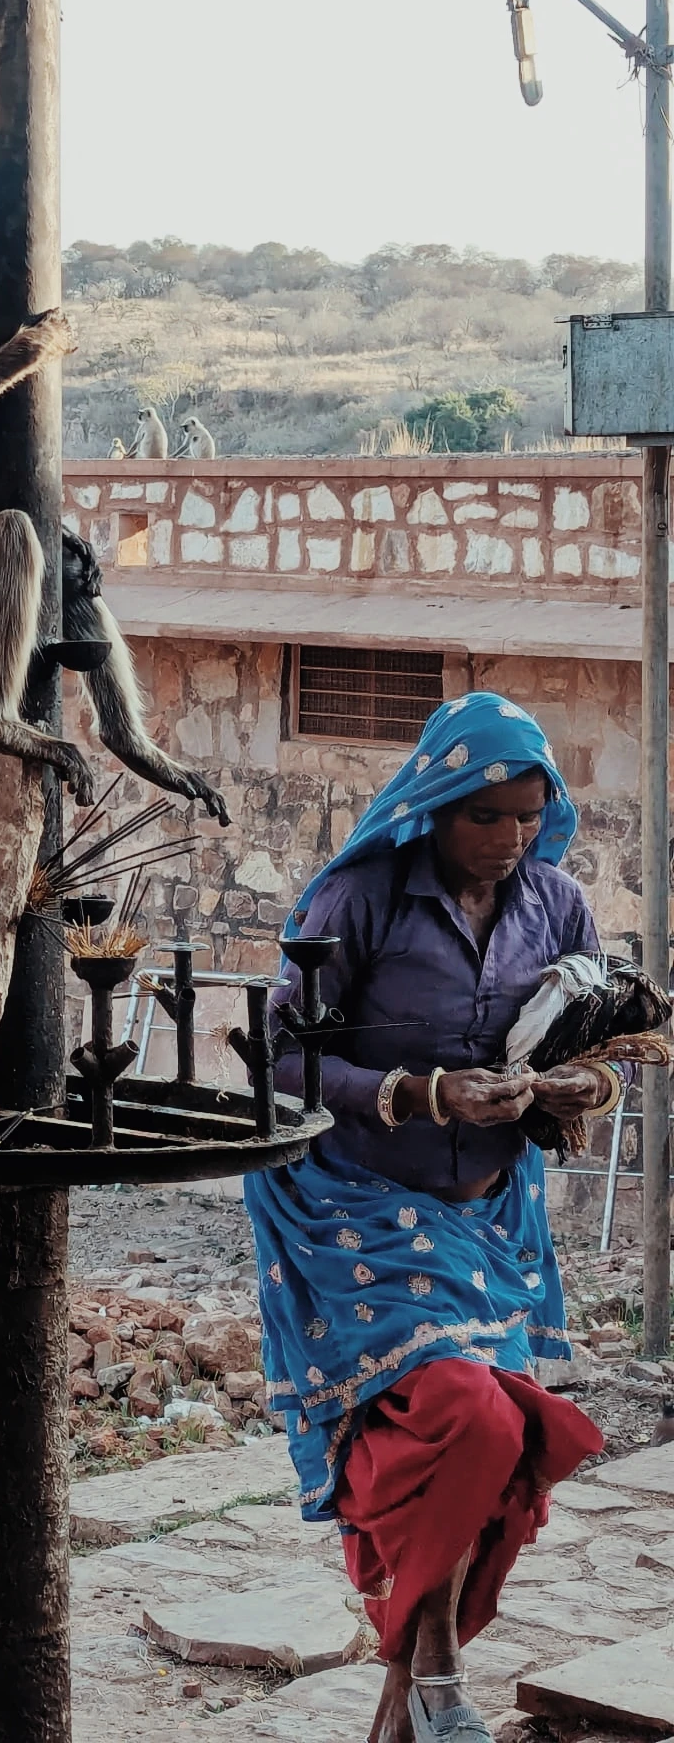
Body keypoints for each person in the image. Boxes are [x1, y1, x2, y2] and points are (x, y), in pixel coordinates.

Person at [244, 692, 625, 1743]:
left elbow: (603, 1049)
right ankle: (439, 1671)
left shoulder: (558, 908)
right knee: (472, 1418)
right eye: (485, 815)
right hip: (351, 1210)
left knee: (491, 1445)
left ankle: (406, 1697)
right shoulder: (358, 899)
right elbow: (279, 1057)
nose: (510, 839)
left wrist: (580, 1089)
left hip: (491, 1216)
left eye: (528, 816)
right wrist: (421, 1093)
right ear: (437, 804)